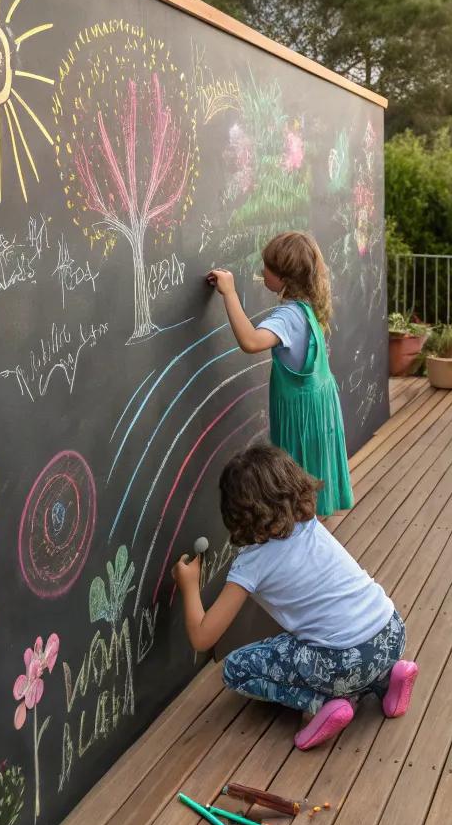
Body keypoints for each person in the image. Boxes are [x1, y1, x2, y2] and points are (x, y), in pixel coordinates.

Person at [172, 442, 418, 749]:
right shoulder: (307, 523)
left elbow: (202, 637)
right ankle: (389, 679)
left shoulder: (251, 564)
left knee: (235, 668)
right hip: (391, 632)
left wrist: (189, 585)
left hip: (342, 661)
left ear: (237, 512)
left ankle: (322, 703)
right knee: (335, 647)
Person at [207, 232, 353, 517]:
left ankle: (304, 546)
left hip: (300, 418)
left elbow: (250, 342)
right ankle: (315, 540)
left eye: (268, 268)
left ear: (284, 278)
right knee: (310, 482)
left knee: (296, 486)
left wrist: (230, 293)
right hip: (319, 410)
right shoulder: (308, 307)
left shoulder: (288, 317)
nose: (263, 272)